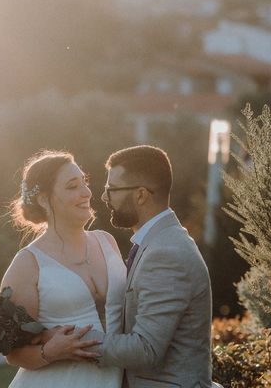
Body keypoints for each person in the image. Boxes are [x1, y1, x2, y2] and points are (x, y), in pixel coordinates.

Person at [81, 145, 215, 387]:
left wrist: (78, 342)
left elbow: (146, 349)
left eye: (111, 190)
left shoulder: (166, 253)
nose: (103, 197)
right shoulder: (158, 243)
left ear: (141, 195)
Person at [1, 150, 127, 388]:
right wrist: (50, 351)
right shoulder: (27, 264)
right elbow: (13, 352)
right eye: (72, 186)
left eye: (84, 183)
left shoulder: (106, 241)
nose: (87, 193)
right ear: (43, 200)